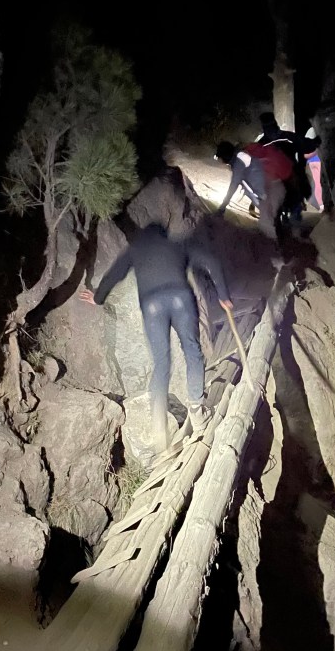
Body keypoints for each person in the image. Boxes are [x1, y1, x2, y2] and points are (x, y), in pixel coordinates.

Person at [79, 224, 232, 456]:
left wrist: (98, 298)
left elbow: (115, 274)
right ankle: (197, 412)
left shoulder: (135, 249)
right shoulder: (177, 244)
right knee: (192, 351)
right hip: (180, 298)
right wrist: (223, 296)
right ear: (163, 234)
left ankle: (159, 426)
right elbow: (212, 261)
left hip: (152, 305)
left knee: (161, 363)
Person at [213, 140, 289, 243]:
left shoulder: (239, 162)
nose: (220, 161)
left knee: (266, 224)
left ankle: (275, 248)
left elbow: (234, 185)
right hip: (274, 187)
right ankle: (281, 239)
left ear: (225, 155)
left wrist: (222, 208)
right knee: (272, 219)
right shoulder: (241, 156)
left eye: (219, 157)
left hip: (271, 191)